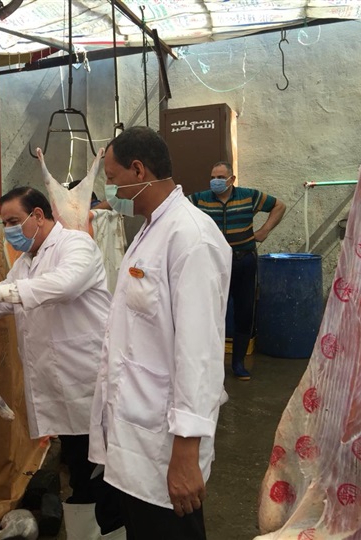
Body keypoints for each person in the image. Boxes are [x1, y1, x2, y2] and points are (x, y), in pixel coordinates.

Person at [88, 126, 231, 540]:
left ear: (138, 170)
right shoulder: (151, 230)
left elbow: (199, 353)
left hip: (166, 445)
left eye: (112, 179)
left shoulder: (191, 237)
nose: (110, 190)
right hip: (136, 433)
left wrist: (186, 451)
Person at [0, 187, 123, 539]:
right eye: (4, 223)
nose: (9, 230)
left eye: (13, 221)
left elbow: (63, 285)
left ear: (38, 216)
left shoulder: (76, 245)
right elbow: (4, 302)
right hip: (61, 387)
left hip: (88, 381)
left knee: (103, 474)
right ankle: (87, 531)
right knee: (80, 469)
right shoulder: (26, 261)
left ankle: (111, 530)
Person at [188, 161, 285, 380]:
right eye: (213, 177)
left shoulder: (248, 196)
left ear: (231, 179)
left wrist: (265, 230)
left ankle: (238, 364)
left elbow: (279, 206)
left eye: (221, 178)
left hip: (244, 262)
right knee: (210, 313)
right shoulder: (200, 199)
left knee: (244, 312)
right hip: (213, 264)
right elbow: (177, 211)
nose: (215, 181)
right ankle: (209, 366)